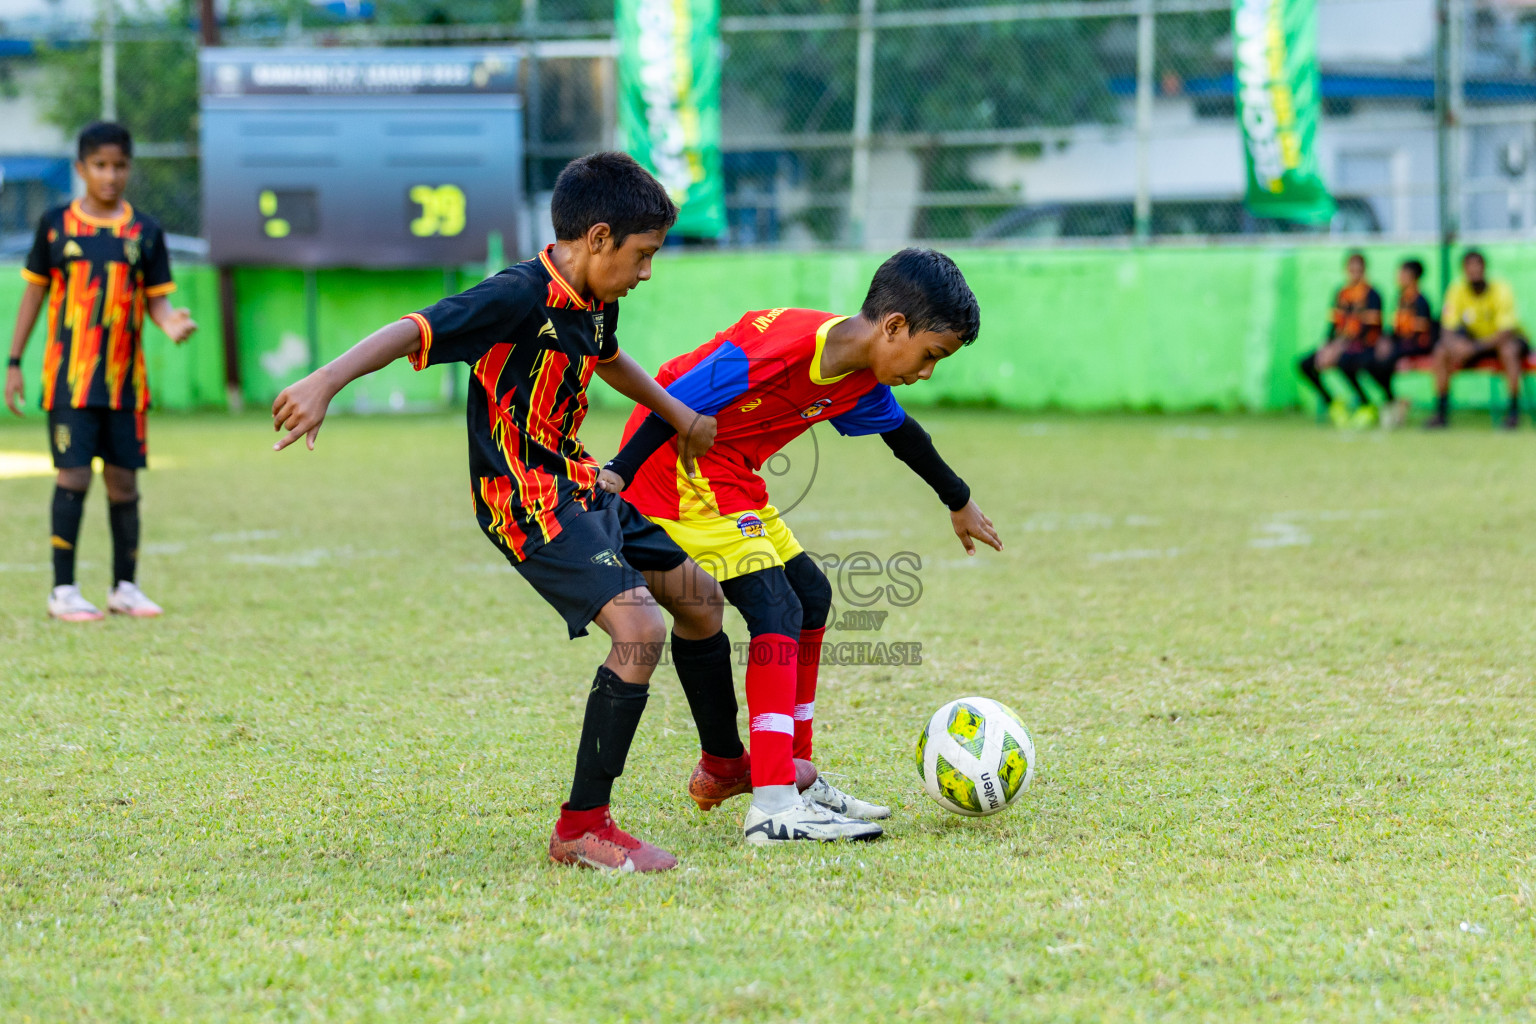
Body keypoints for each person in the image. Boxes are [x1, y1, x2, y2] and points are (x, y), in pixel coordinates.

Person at [270, 152, 727, 874]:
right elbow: (414, 328)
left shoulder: (596, 297)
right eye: (643, 255)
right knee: (640, 631)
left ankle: (725, 764)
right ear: (598, 238)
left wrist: (676, 412)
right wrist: (325, 380)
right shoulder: (516, 295)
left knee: (700, 600)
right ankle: (582, 827)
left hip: (580, 482)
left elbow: (607, 356)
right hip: (525, 500)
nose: (646, 272)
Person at [598, 248, 1003, 845]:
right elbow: (672, 400)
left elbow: (903, 435)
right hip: (679, 469)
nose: (926, 373)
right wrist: (618, 472)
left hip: (732, 475)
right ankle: (773, 805)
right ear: (894, 327)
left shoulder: (860, 376)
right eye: (931, 355)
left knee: (810, 596)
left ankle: (794, 776)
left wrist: (958, 498)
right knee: (776, 607)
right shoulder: (777, 347)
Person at [5, 121, 197, 622]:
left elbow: (158, 303)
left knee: (123, 484)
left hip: (125, 385)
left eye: (119, 166)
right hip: (70, 381)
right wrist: (14, 362)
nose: (110, 176)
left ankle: (124, 587)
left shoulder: (145, 232)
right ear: (81, 168)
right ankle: (63, 590)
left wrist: (171, 323)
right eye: (100, 166)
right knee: (72, 477)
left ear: (129, 169)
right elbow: (33, 295)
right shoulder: (55, 225)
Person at [1426, 249, 1530, 430]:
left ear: (1484, 267)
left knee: (1509, 350)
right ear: (1463, 269)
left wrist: (1474, 347)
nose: (1474, 270)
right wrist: (1457, 345)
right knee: (1441, 351)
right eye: (1469, 266)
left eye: (1477, 265)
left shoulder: (1501, 289)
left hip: (1498, 342)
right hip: (1473, 344)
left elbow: (1506, 332)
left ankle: (1513, 412)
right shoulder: (1457, 290)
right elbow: (1447, 329)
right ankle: (1441, 413)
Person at [1296, 251, 1383, 428]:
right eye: (1351, 269)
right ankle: (1333, 403)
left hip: (1363, 346)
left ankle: (1366, 404)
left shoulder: (1372, 294)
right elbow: (1333, 324)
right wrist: (1326, 345)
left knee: (1345, 362)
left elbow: (1368, 328)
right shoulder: (1342, 293)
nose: (1354, 273)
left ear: (1364, 271)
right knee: (1305, 364)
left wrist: (1340, 346)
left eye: (1358, 270)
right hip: (1339, 344)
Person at [1367, 258, 1437, 429]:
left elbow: (1419, 335)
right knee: (1371, 360)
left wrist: (1403, 354)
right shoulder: (1400, 299)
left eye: (1402, 273)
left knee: (1385, 361)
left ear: (1413, 277)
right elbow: (1396, 330)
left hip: (1417, 347)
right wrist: (1385, 341)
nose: (1398, 277)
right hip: (1402, 346)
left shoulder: (1420, 301)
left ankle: (1392, 403)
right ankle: (1394, 400)